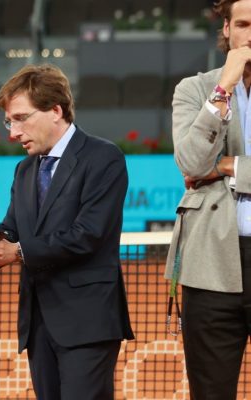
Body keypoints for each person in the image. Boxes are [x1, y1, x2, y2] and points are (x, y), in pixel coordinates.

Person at [0, 64, 134, 400]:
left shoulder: (104, 157)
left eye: (21, 118)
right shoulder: (25, 169)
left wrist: (16, 252)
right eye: (9, 122)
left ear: (55, 111)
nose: (13, 132)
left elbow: (88, 234)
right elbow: (10, 230)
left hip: (88, 322)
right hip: (38, 324)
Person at [167, 0, 251, 397]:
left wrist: (231, 167)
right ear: (227, 29)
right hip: (210, 263)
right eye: (244, 24)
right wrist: (223, 89)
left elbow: (205, 170)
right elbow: (192, 163)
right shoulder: (195, 89)